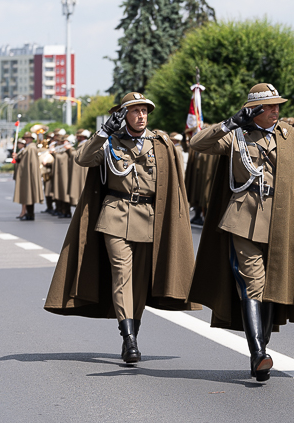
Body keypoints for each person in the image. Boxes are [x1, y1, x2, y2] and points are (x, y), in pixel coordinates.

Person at [188, 83, 294, 382]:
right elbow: (198, 144)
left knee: (272, 287)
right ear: (255, 110)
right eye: (270, 106)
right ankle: (258, 352)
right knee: (252, 284)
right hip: (244, 217)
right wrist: (231, 122)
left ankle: (261, 350)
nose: (276, 110)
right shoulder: (235, 136)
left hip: (283, 220)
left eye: (277, 105)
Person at [45, 92, 198, 364]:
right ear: (123, 114)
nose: (141, 115)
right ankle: (128, 340)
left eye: (145, 111)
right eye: (135, 111)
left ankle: (134, 332)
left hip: (149, 217)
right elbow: (82, 158)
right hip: (116, 214)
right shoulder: (109, 141)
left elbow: (175, 183)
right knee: (121, 274)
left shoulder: (160, 143)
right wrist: (103, 131)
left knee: (139, 282)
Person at [12, 132, 43, 220]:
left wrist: (32, 175)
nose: (26, 139)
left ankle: (30, 214)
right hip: (26, 174)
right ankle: (28, 213)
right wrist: (17, 157)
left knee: (29, 194)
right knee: (27, 194)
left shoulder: (31, 148)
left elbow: (32, 163)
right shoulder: (27, 148)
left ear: (31, 139)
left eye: (28, 138)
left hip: (29, 174)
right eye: (25, 138)